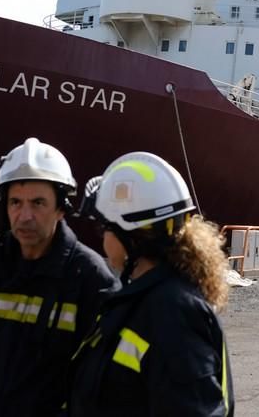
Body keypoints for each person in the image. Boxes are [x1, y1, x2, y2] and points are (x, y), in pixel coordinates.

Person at [0, 137, 117, 416]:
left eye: (38, 203)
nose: (24, 216)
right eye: (15, 203)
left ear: (61, 208)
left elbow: (102, 373)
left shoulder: (90, 279)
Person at [69, 152, 234, 416]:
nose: (101, 238)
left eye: (104, 228)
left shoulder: (174, 313)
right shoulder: (142, 299)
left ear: (130, 236)